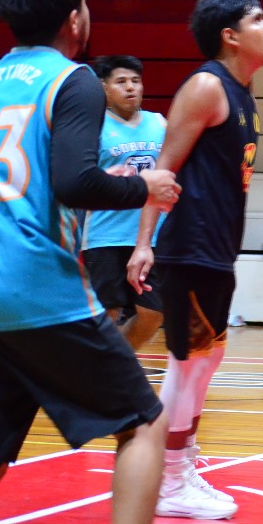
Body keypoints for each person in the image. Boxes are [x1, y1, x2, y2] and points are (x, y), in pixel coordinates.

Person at [0, 0, 180, 524]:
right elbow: (76, 181)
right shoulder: (70, 79)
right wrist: (146, 187)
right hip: (35, 286)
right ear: (75, 17)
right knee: (145, 423)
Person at [127, 0, 263, 520]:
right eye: (258, 19)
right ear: (230, 35)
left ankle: (181, 466)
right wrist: (144, 242)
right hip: (190, 247)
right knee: (186, 366)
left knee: (207, 363)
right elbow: (162, 169)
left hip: (217, 249)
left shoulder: (243, 93)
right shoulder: (207, 87)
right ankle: (170, 480)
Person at [82, 55, 168, 349]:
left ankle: (115, 367)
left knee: (153, 313)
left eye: (135, 81)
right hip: (105, 235)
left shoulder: (160, 123)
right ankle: (95, 369)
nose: (131, 87)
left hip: (152, 237)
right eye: (121, 82)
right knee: (107, 312)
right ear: (104, 88)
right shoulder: (92, 126)